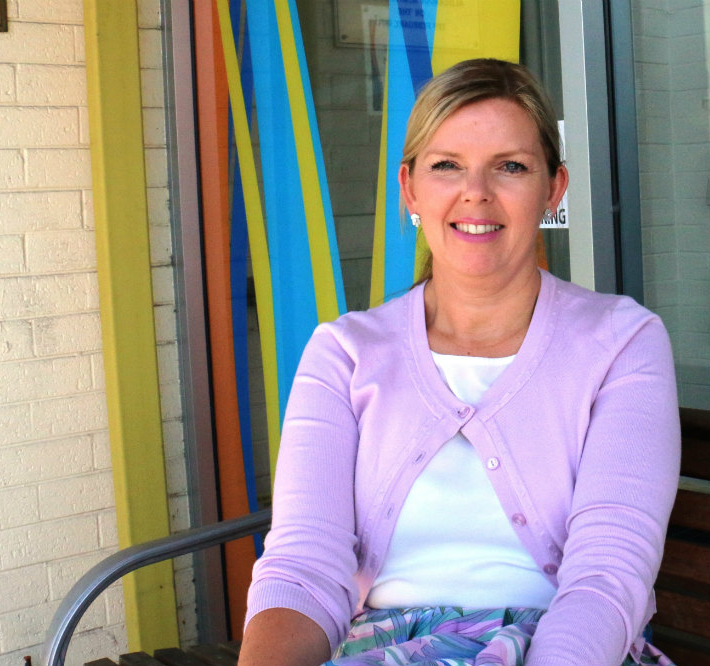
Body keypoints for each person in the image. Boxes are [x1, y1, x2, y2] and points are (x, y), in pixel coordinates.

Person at [238, 58, 680, 666]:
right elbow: (303, 566)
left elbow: (608, 577)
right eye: (447, 165)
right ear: (411, 189)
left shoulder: (622, 342)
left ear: (553, 188)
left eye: (511, 167)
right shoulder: (344, 353)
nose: (476, 191)